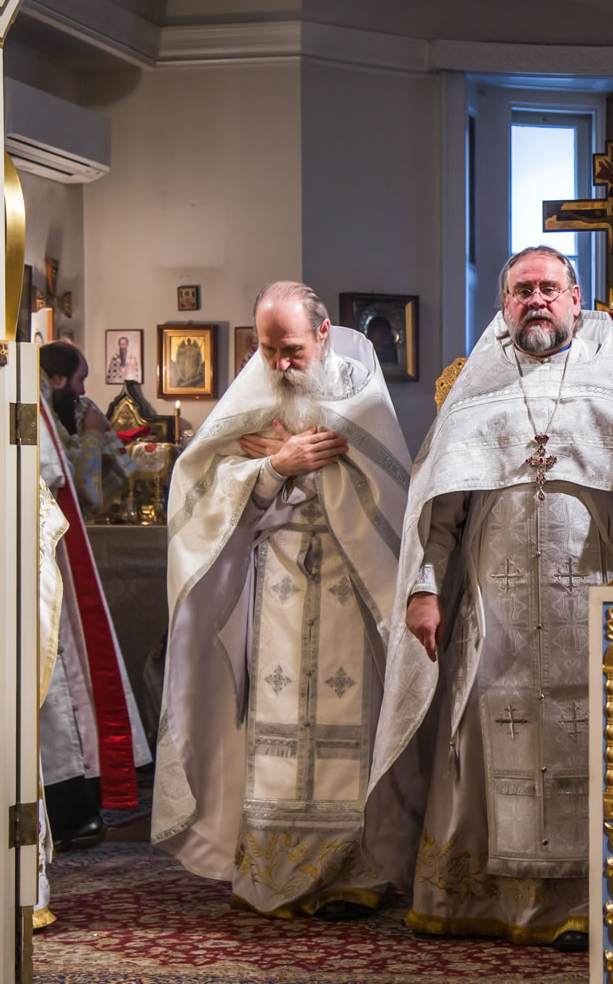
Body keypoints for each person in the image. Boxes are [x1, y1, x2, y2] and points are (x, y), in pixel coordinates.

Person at [364, 245, 613, 950]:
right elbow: (438, 509)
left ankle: (585, 901)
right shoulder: (473, 390)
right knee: (483, 738)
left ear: (577, 299)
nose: (535, 300)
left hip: (591, 605)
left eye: (549, 288)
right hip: (494, 611)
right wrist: (424, 591)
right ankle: (478, 898)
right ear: (503, 304)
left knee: (589, 738)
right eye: (521, 290)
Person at [153, 281, 411, 919]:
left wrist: (311, 465)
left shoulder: (360, 394)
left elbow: (389, 489)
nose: (280, 364)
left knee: (348, 721)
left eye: (292, 349)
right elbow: (199, 486)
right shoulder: (251, 394)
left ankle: (353, 872)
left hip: (352, 581)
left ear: (323, 334)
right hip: (275, 583)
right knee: (274, 722)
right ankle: (271, 869)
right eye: (268, 350)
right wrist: (274, 469)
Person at [37, 342, 153, 848]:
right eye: (80, 380)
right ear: (59, 380)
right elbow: (80, 488)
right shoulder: (43, 410)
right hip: (48, 560)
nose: (84, 391)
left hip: (55, 554)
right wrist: (92, 436)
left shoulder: (49, 408)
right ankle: (68, 808)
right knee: (63, 680)